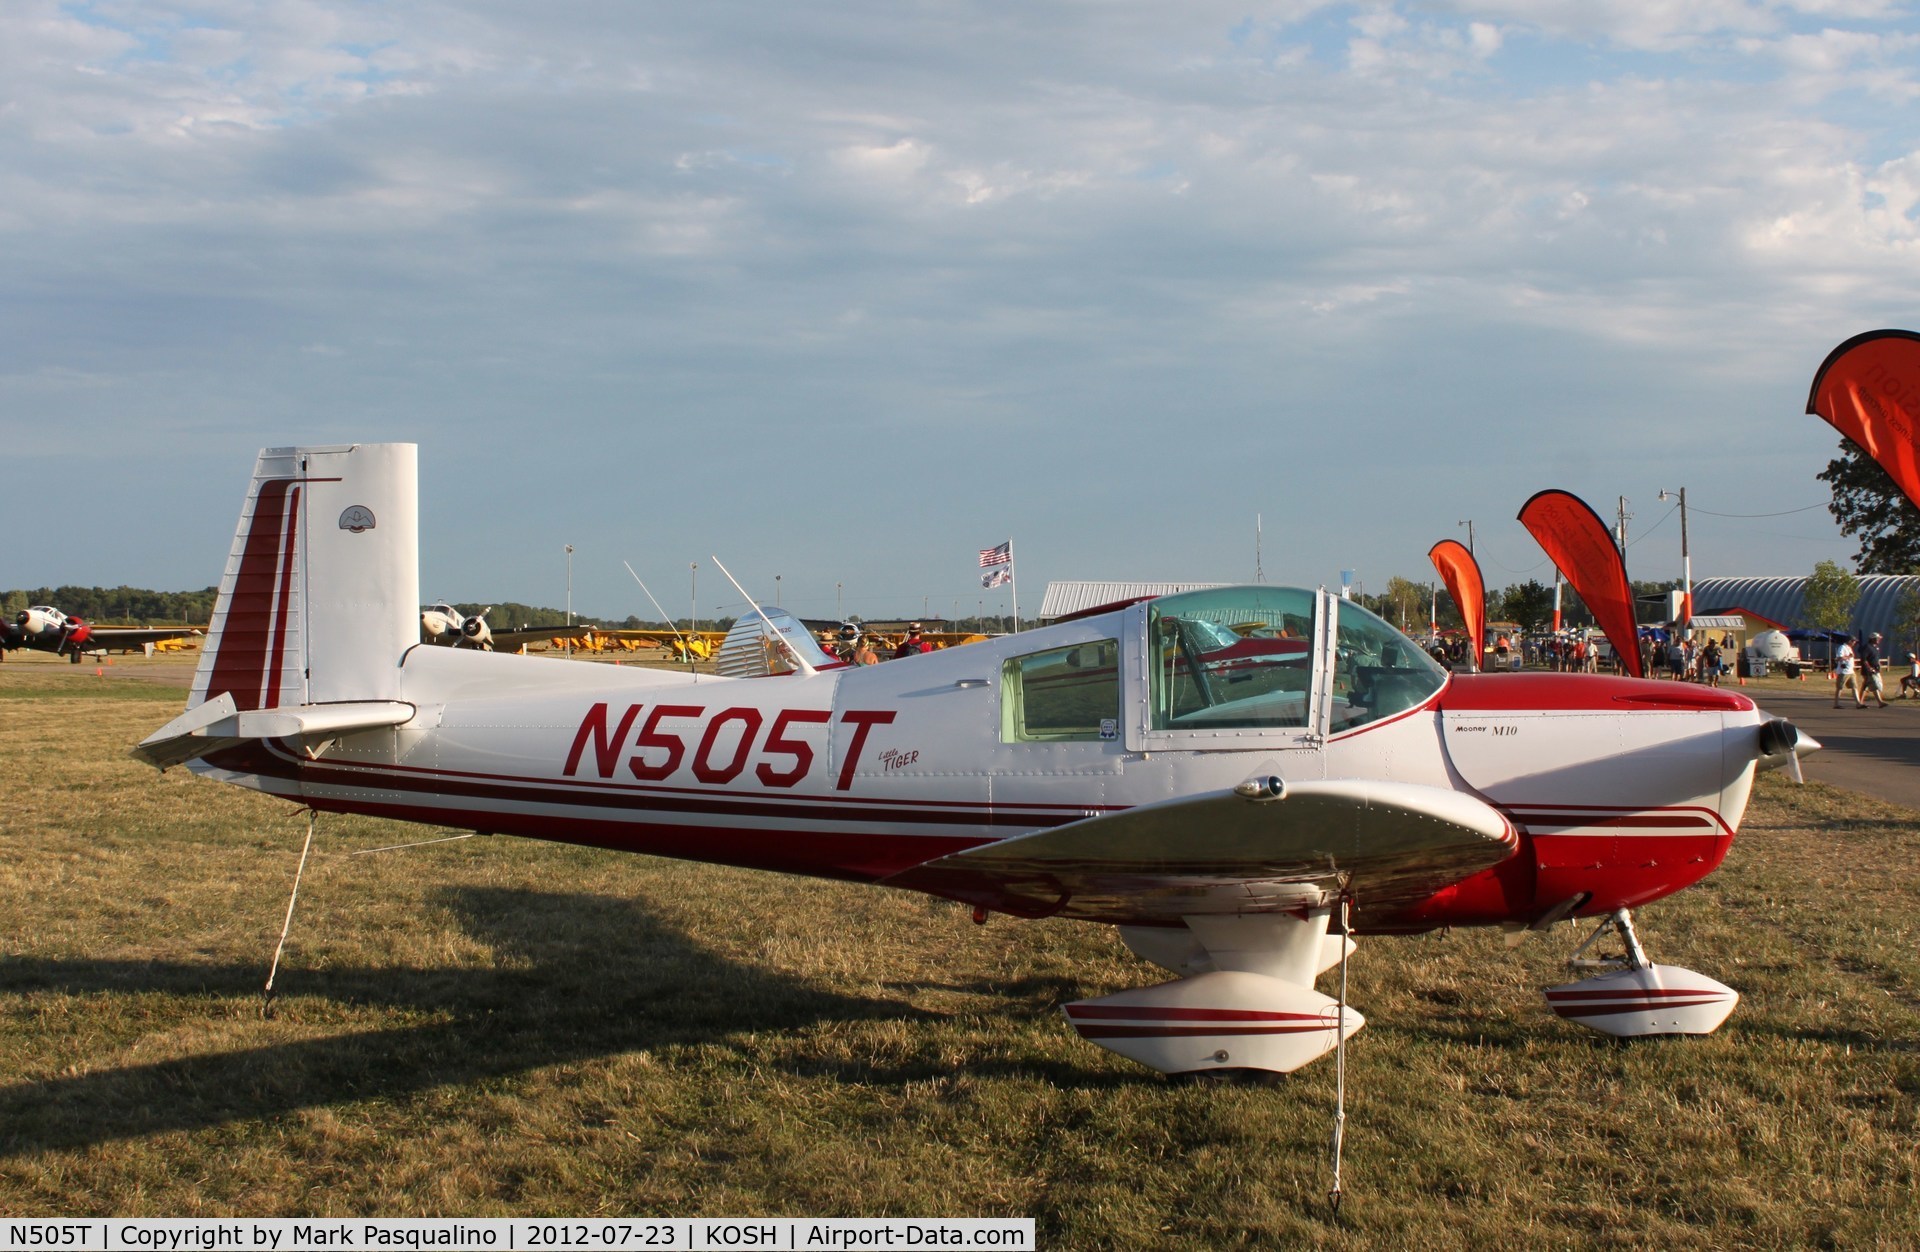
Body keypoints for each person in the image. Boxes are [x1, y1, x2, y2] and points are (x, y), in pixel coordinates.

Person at [1859, 632, 1888, 708]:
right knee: (1874, 685)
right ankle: (1880, 702)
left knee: (1866, 686)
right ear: (1873, 639)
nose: (1879, 640)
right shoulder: (1867, 647)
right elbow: (1864, 659)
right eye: (1877, 638)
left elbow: (1875, 659)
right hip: (1868, 671)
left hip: (1875, 669)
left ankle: (1859, 702)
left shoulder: (1875, 647)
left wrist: (1879, 665)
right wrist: (1869, 668)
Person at [1833, 636, 1859, 708]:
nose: (1855, 643)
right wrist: (1849, 657)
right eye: (1854, 641)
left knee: (1855, 687)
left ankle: (1858, 703)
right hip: (1843, 671)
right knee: (1840, 687)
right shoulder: (1842, 647)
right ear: (1849, 641)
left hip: (1851, 671)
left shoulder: (1849, 648)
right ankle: (1836, 704)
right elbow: (1839, 658)